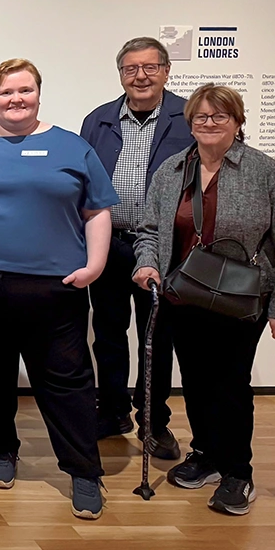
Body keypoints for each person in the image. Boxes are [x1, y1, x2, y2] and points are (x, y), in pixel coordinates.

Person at [0, 58, 118, 520]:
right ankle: (1, 448)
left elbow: (97, 211)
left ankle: (83, 472)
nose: (16, 100)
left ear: (38, 94)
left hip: (53, 291)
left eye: (24, 91)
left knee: (66, 383)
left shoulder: (71, 148)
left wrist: (95, 265)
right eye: (6, 92)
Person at [133, 83, 275, 516]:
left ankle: (237, 474)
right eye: (201, 117)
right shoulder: (171, 170)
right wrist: (147, 263)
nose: (209, 124)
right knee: (196, 380)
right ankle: (206, 453)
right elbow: (150, 230)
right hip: (183, 295)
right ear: (190, 123)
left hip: (240, 300)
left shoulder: (264, 171)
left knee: (230, 386)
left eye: (219, 116)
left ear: (237, 122)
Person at [81, 37, 192, 456]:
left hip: (163, 249)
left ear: (166, 71)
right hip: (108, 244)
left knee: (156, 336)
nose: (140, 76)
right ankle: (111, 411)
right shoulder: (99, 120)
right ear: (121, 75)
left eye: (149, 67)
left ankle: (153, 420)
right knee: (108, 334)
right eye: (131, 69)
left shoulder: (186, 118)